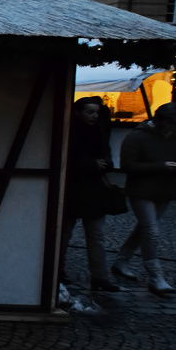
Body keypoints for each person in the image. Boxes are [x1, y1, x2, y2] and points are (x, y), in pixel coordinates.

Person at [112, 102, 176, 295]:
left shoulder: (175, 137)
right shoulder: (137, 136)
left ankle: (121, 261)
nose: (172, 127)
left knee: (144, 229)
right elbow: (128, 165)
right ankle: (156, 277)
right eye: (170, 122)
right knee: (151, 230)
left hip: (164, 189)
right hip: (141, 189)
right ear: (160, 120)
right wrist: (162, 166)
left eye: (175, 123)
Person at [59, 97, 120, 292]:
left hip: (91, 189)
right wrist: (91, 164)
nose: (94, 116)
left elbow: (107, 158)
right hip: (73, 189)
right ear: (78, 113)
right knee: (65, 234)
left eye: (96, 112)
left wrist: (104, 164)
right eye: (90, 112)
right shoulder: (71, 133)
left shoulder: (99, 132)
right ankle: (58, 271)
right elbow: (65, 159)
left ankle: (100, 276)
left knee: (95, 235)